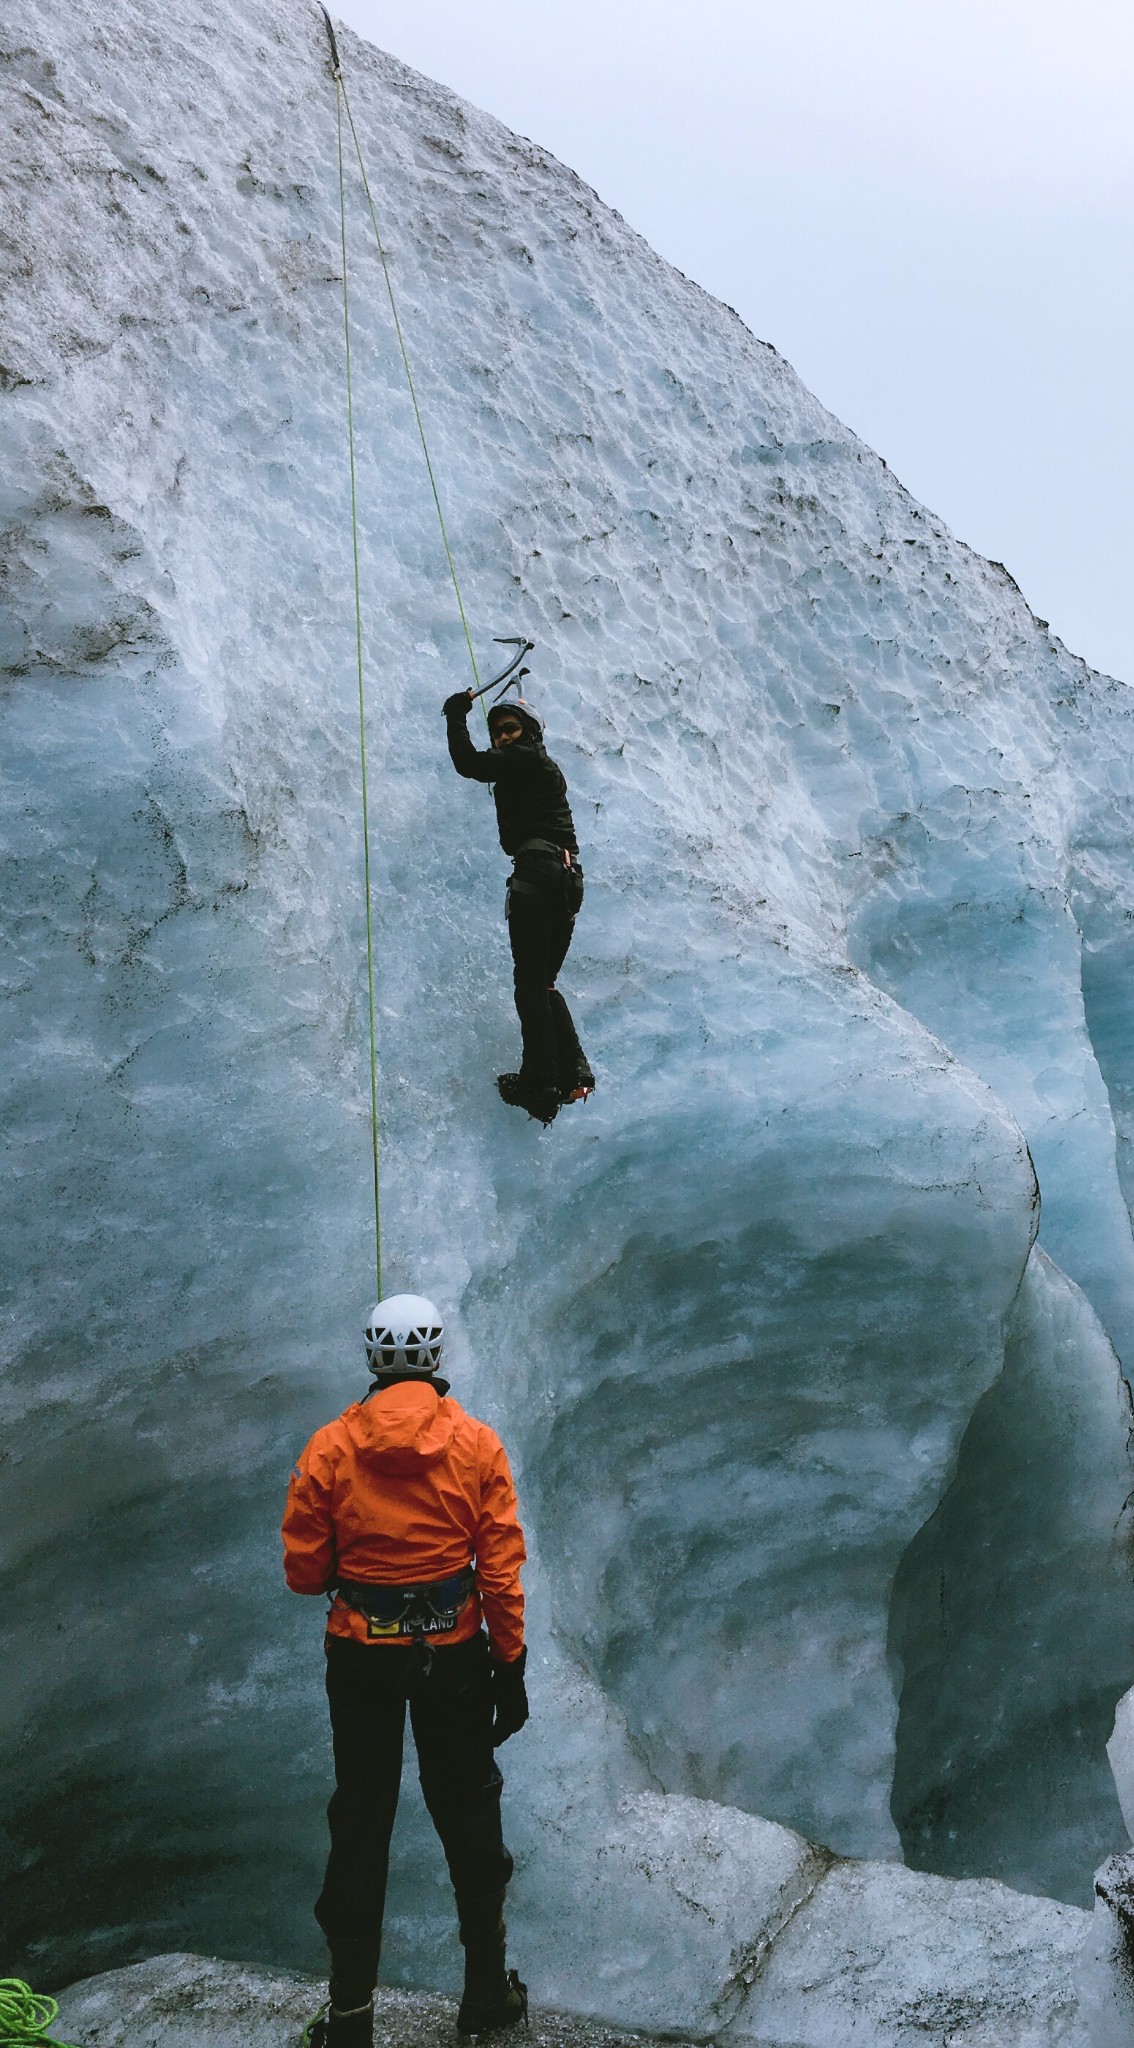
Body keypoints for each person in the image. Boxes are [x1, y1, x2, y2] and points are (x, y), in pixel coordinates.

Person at [283, 1294, 531, 2046]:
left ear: (371, 1357)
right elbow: (500, 1571)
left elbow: (302, 1571)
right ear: (435, 1355)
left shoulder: (330, 1447)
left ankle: (352, 2019)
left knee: (362, 1820)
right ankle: (485, 1994)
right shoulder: (476, 1444)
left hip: (360, 1658)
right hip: (452, 1659)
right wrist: (510, 1665)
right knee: (468, 1810)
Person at [442, 691, 593, 1126]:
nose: (503, 739)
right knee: (543, 983)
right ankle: (573, 1072)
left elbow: (468, 764)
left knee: (529, 984)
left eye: (510, 729)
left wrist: (456, 713)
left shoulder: (528, 757)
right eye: (498, 733)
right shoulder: (536, 766)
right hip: (566, 879)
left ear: (529, 732)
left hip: (538, 873)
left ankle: (540, 1081)